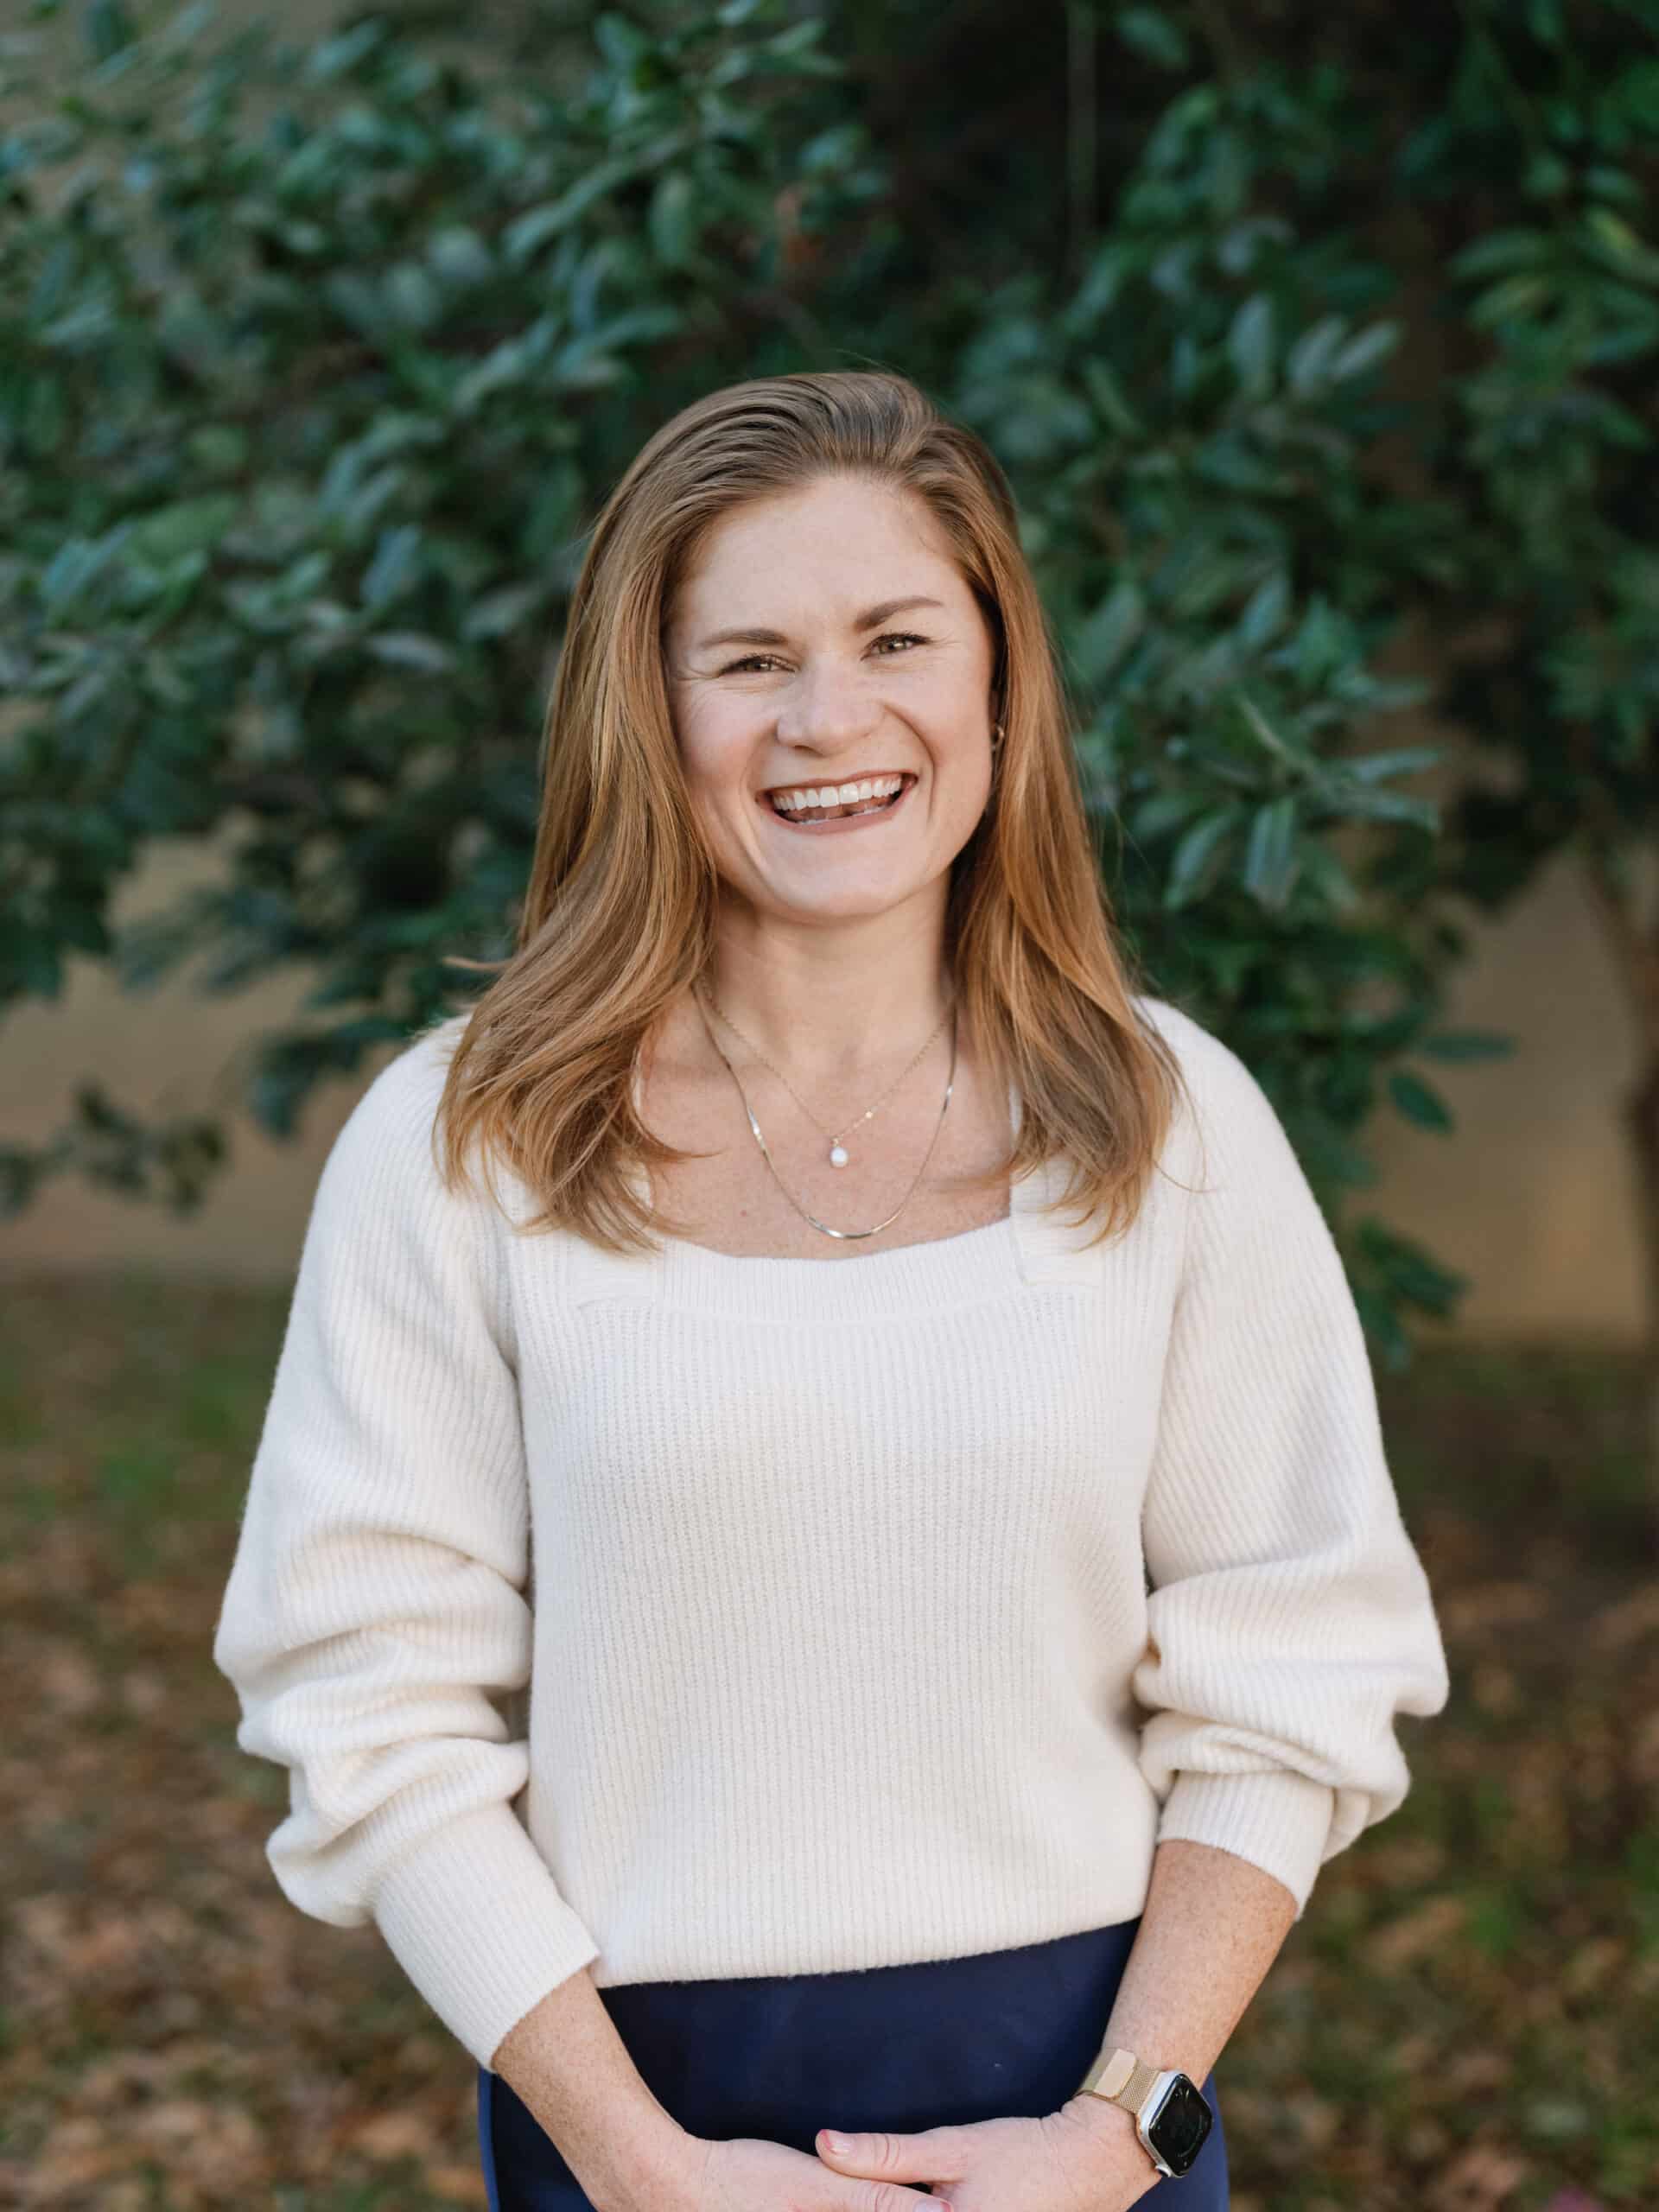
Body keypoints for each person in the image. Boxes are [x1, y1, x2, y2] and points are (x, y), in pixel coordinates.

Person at [212, 369, 1451, 2212]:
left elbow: (1300, 1660)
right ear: (651, 706)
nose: (829, 717)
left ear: (997, 682)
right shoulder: (465, 1141)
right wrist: (634, 2161)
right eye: (749, 658)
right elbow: (365, 1691)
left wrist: (1125, 2125)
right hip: (633, 2116)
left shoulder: (1163, 1118)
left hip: (1085, 2104)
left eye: (895, 636)